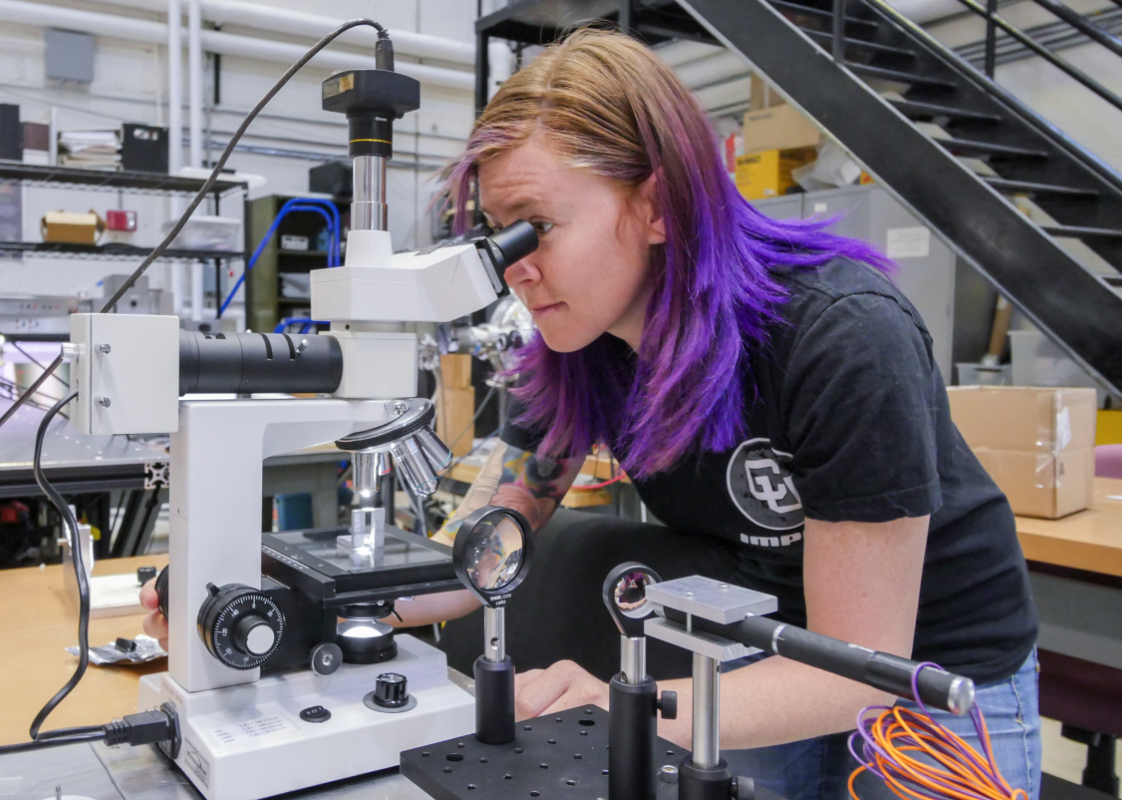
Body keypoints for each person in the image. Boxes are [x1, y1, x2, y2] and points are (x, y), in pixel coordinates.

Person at [142, 29, 1040, 800]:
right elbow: (488, 548)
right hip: (759, 658)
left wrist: (625, 703)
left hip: (925, 678)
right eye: (496, 236)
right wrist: (308, 606)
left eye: (535, 227)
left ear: (654, 204)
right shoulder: (584, 348)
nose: (513, 267)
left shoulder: (841, 338)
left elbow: (854, 663)